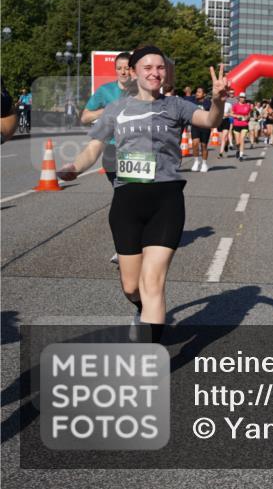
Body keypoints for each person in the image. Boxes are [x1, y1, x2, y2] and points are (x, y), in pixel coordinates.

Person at [57, 46, 227, 344]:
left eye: (159, 67)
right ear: (134, 73)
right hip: (127, 202)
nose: (154, 73)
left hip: (166, 201)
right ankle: (143, 310)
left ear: (166, 72)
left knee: (153, 284)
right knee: (131, 287)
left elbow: (210, 121)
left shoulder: (176, 105)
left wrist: (217, 102)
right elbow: (93, 149)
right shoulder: (116, 109)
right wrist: (74, 167)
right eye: (147, 67)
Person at [81, 51, 133, 264]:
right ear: (115, 70)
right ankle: (123, 248)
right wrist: (106, 111)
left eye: (127, 67)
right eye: (119, 67)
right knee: (123, 198)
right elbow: (85, 117)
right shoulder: (105, 91)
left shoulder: (143, 91)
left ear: (133, 69)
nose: (123, 71)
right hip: (112, 149)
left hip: (139, 151)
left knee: (135, 198)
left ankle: (132, 243)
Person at [188, 87, 212, 173]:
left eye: (199, 92)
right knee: (195, 143)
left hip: (205, 126)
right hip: (195, 125)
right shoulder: (192, 101)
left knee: (204, 146)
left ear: (204, 94)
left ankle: (204, 163)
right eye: (196, 92)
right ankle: (196, 161)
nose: (197, 93)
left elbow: (210, 113)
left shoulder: (208, 102)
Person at [231, 92, 252, 160]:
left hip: (244, 124)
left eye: (244, 97)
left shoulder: (248, 106)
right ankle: (238, 150)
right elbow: (231, 114)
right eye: (241, 97)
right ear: (239, 98)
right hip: (236, 124)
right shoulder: (235, 106)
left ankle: (241, 155)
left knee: (242, 139)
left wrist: (247, 117)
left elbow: (249, 115)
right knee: (237, 142)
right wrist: (237, 116)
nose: (242, 99)